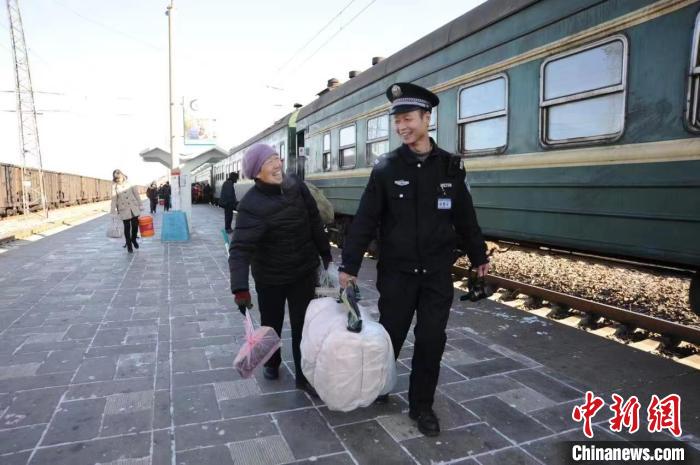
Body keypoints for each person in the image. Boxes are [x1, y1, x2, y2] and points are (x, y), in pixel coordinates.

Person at [338, 82, 490, 437]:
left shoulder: (451, 167)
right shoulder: (386, 168)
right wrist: (349, 266)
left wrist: (478, 254)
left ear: (426, 118)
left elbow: (465, 216)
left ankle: (422, 405)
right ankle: (380, 384)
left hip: (436, 274)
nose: (401, 126)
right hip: (398, 273)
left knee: (431, 340)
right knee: (390, 335)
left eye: (407, 119)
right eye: (397, 121)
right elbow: (365, 220)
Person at [228, 143, 332, 397]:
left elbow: (314, 221)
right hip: (270, 277)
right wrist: (240, 288)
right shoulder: (251, 204)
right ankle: (272, 363)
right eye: (269, 162)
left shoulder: (297, 186)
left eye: (277, 158)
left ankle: (304, 375)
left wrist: (326, 255)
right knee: (271, 323)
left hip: (303, 271)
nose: (277, 164)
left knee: (303, 325)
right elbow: (240, 248)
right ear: (257, 172)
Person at [110, 169, 143, 253]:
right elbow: (114, 199)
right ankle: (129, 245)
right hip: (123, 208)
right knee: (127, 227)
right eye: (116, 178)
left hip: (133, 207)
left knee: (135, 225)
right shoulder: (114, 186)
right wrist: (112, 211)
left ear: (122, 176)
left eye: (119, 177)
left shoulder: (130, 183)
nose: (118, 180)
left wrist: (140, 204)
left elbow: (136, 194)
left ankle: (133, 239)